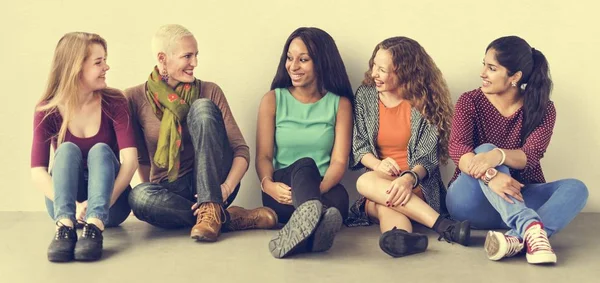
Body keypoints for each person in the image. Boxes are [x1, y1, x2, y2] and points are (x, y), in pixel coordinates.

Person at [126, 24, 277, 242]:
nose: (194, 63)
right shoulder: (134, 97)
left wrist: (224, 189)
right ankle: (224, 218)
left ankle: (211, 205)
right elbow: (141, 159)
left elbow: (240, 150)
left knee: (202, 107)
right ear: (162, 58)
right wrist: (154, 192)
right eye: (187, 56)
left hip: (215, 183)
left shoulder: (209, 90)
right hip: (172, 190)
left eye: (196, 55)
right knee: (138, 197)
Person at [446, 36, 589, 264]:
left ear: (515, 77)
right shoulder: (470, 101)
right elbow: (458, 148)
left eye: (492, 68)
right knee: (486, 150)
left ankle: (516, 238)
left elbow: (531, 155)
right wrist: (490, 174)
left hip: (516, 197)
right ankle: (530, 226)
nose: (482, 73)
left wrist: (499, 155)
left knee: (577, 188)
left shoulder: (543, 109)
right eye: (484, 65)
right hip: (470, 202)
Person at [348, 37, 470, 258]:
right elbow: (359, 146)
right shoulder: (365, 96)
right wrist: (378, 164)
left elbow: (428, 159)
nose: (374, 73)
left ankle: (403, 235)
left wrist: (407, 179)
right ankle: (440, 228)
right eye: (374, 64)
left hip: (416, 184)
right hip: (378, 182)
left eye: (382, 69)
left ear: (404, 72)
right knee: (367, 182)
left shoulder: (425, 101)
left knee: (382, 198)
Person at [31, 32, 137, 262]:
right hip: (66, 206)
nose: (106, 67)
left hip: (112, 205)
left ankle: (95, 227)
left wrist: (100, 206)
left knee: (100, 150)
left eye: (104, 60)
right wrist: (76, 208)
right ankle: (65, 228)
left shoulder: (115, 101)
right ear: (75, 68)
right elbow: (37, 170)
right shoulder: (47, 109)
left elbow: (130, 162)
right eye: (98, 62)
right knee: (67, 150)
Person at [256, 27, 353, 258]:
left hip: (323, 188)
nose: (293, 66)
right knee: (305, 164)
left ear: (321, 63)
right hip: (282, 191)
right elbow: (263, 157)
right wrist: (268, 185)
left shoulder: (340, 104)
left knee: (340, 199)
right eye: (289, 58)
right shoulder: (272, 100)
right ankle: (313, 222)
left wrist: (311, 194)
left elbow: (339, 162)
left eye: (303, 60)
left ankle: (306, 234)